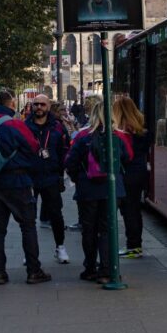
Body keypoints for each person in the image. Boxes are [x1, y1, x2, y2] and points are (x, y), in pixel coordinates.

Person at [0, 90, 51, 285]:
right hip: (18, 181)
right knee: (28, 226)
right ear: (11, 104)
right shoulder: (15, 124)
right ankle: (33, 270)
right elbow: (32, 145)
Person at [65, 100, 131, 283]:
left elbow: (70, 161)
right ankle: (107, 270)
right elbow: (127, 158)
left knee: (89, 230)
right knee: (107, 229)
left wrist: (79, 178)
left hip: (88, 190)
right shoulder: (118, 136)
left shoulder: (83, 136)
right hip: (112, 190)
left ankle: (90, 268)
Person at [25, 94, 70, 265]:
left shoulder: (57, 127)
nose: (38, 107)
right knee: (29, 216)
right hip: (30, 177)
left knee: (56, 215)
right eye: (35, 104)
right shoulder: (25, 126)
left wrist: (61, 167)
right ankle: (30, 252)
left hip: (51, 176)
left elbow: (66, 147)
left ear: (48, 107)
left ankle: (60, 247)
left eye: (42, 104)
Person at [114, 95, 150, 259]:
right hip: (140, 172)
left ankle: (133, 246)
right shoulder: (142, 131)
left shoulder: (122, 133)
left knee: (128, 210)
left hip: (127, 173)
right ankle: (135, 245)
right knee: (134, 209)